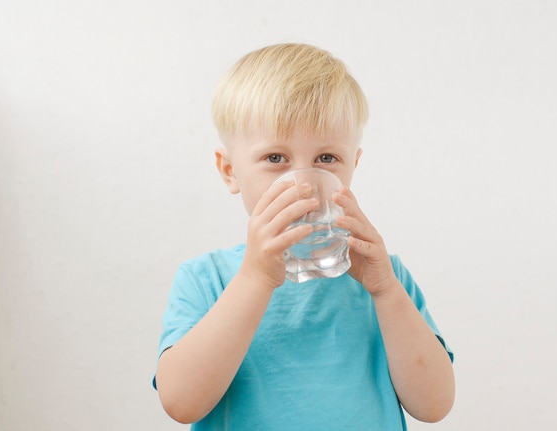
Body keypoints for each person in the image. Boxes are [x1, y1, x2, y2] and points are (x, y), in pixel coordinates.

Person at [153, 43, 455, 430]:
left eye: (326, 159)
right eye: (275, 159)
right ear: (230, 171)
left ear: (353, 166)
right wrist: (255, 278)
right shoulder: (206, 278)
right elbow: (181, 402)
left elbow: (434, 405)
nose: (303, 184)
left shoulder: (384, 277)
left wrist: (385, 291)